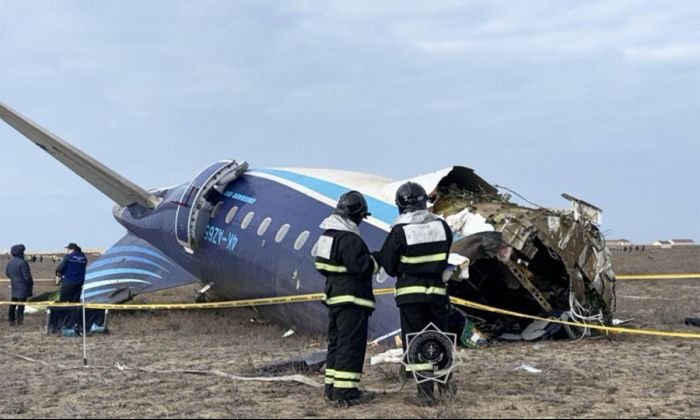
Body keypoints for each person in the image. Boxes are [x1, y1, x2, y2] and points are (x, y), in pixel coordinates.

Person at [378, 182, 455, 406]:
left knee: (417, 342)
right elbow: (445, 254)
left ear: (400, 206)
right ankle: (446, 384)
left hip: (411, 296)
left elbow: (389, 265)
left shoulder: (400, 230)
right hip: (437, 294)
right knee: (440, 338)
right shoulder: (441, 226)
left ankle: (426, 394)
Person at [314, 191, 379, 407]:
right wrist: (376, 259)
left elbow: (320, 266)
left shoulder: (327, 236)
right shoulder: (350, 239)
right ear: (357, 215)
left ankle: (332, 389)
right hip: (352, 300)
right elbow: (363, 267)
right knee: (351, 345)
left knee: (337, 344)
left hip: (334, 298)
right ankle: (346, 393)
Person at [5, 244, 34, 326]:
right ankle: (20, 321)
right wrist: (30, 284)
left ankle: (11, 320)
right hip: (23, 286)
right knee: (21, 305)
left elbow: (7, 273)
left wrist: (14, 279)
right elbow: (27, 276)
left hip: (14, 286)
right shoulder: (23, 262)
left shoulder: (10, 262)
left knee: (13, 304)